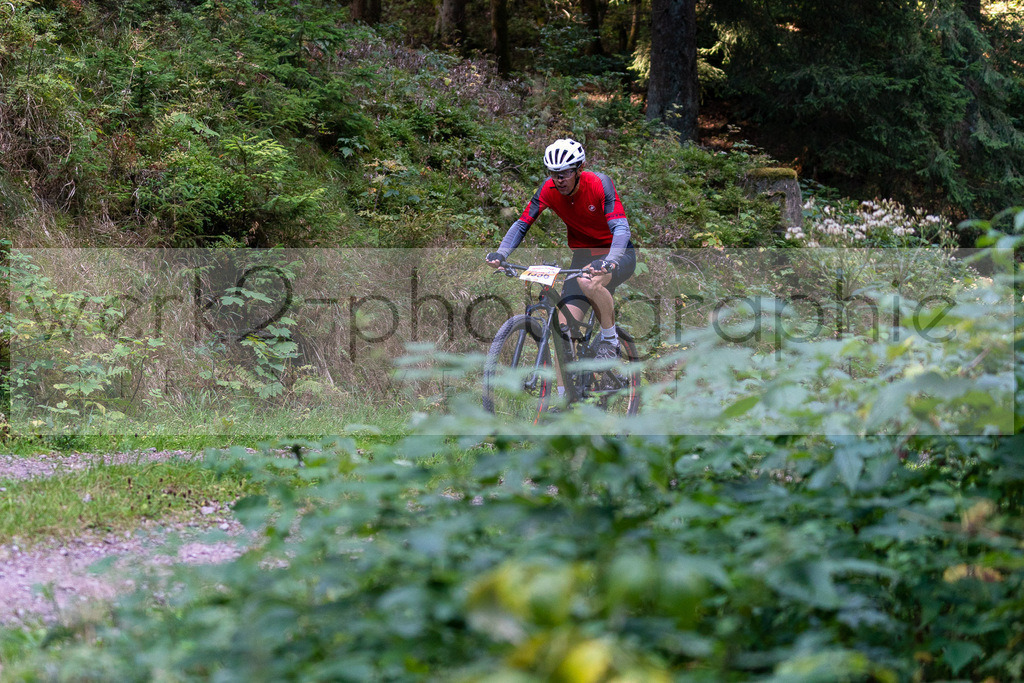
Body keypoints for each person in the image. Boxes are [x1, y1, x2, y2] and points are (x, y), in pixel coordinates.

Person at [485, 138, 637, 360]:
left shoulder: (598, 183)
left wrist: (611, 259)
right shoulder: (548, 189)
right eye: (554, 173)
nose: (559, 179)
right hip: (584, 256)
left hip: (617, 252)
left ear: (579, 170)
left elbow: (621, 228)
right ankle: (565, 392)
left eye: (564, 173)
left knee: (588, 281)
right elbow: (522, 223)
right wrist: (501, 253)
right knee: (561, 330)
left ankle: (610, 341)